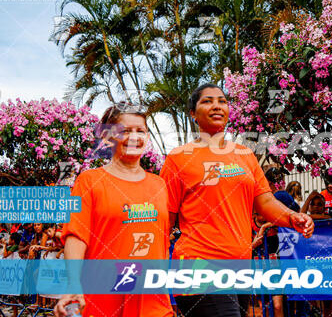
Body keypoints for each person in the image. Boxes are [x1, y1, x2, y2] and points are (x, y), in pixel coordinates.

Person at [160, 83, 314, 317]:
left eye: (222, 101)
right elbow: (164, 222)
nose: (216, 106)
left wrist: (292, 217)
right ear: (192, 113)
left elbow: (265, 202)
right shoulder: (178, 159)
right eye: (207, 101)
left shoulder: (244, 155)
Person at [55, 102, 173, 317]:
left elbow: (162, 242)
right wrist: (72, 284)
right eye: (125, 131)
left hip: (152, 303)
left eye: (141, 131)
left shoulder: (159, 185)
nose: (135, 137)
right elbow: (76, 236)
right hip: (103, 301)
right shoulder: (90, 181)